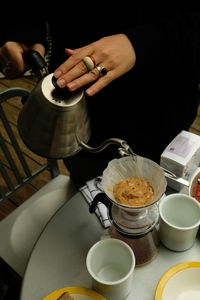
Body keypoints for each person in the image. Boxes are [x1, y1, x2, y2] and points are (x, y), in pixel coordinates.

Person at [1, 4, 200, 187]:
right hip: (77, 110)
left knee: (158, 193)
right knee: (84, 187)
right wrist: (25, 27)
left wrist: (139, 44)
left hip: (160, 118)